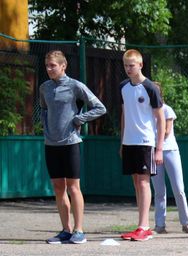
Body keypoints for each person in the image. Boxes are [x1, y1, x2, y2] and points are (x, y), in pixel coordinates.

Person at [38, 50, 106, 244]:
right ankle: (65, 230)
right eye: (47, 66)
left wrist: (79, 119)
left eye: (53, 65)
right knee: (58, 187)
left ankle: (79, 230)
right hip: (51, 144)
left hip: (70, 143)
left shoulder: (75, 86)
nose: (49, 69)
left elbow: (100, 107)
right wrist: (47, 128)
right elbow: (44, 109)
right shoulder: (44, 88)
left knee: (73, 187)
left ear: (63, 66)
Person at [119, 49, 164, 242]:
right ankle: (140, 224)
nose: (129, 69)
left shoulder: (150, 88)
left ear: (140, 65)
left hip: (145, 141)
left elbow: (160, 119)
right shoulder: (123, 87)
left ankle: (145, 227)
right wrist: (122, 141)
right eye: (126, 65)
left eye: (132, 65)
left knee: (144, 182)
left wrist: (159, 147)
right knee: (136, 182)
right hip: (129, 141)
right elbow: (124, 115)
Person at [150, 83, 188, 234]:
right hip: (152, 152)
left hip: (169, 151)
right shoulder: (145, 111)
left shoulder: (167, 109)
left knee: (178, 188)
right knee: (158, 190)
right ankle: (160, 225)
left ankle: (186, 223)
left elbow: (167, 131)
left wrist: (158, 146)